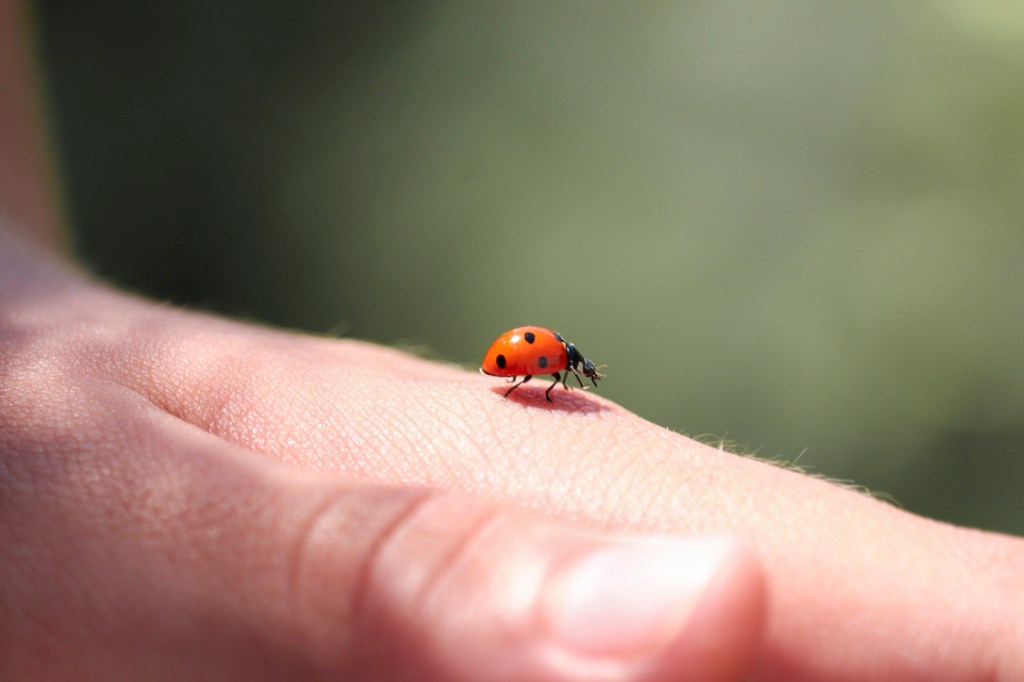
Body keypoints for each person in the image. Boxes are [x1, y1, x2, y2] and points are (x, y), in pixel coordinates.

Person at [1, 2, 1020, 680]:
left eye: (554, 371)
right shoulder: (532, 363)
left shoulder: (539, 359)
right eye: (557, 372)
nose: (559, 377)